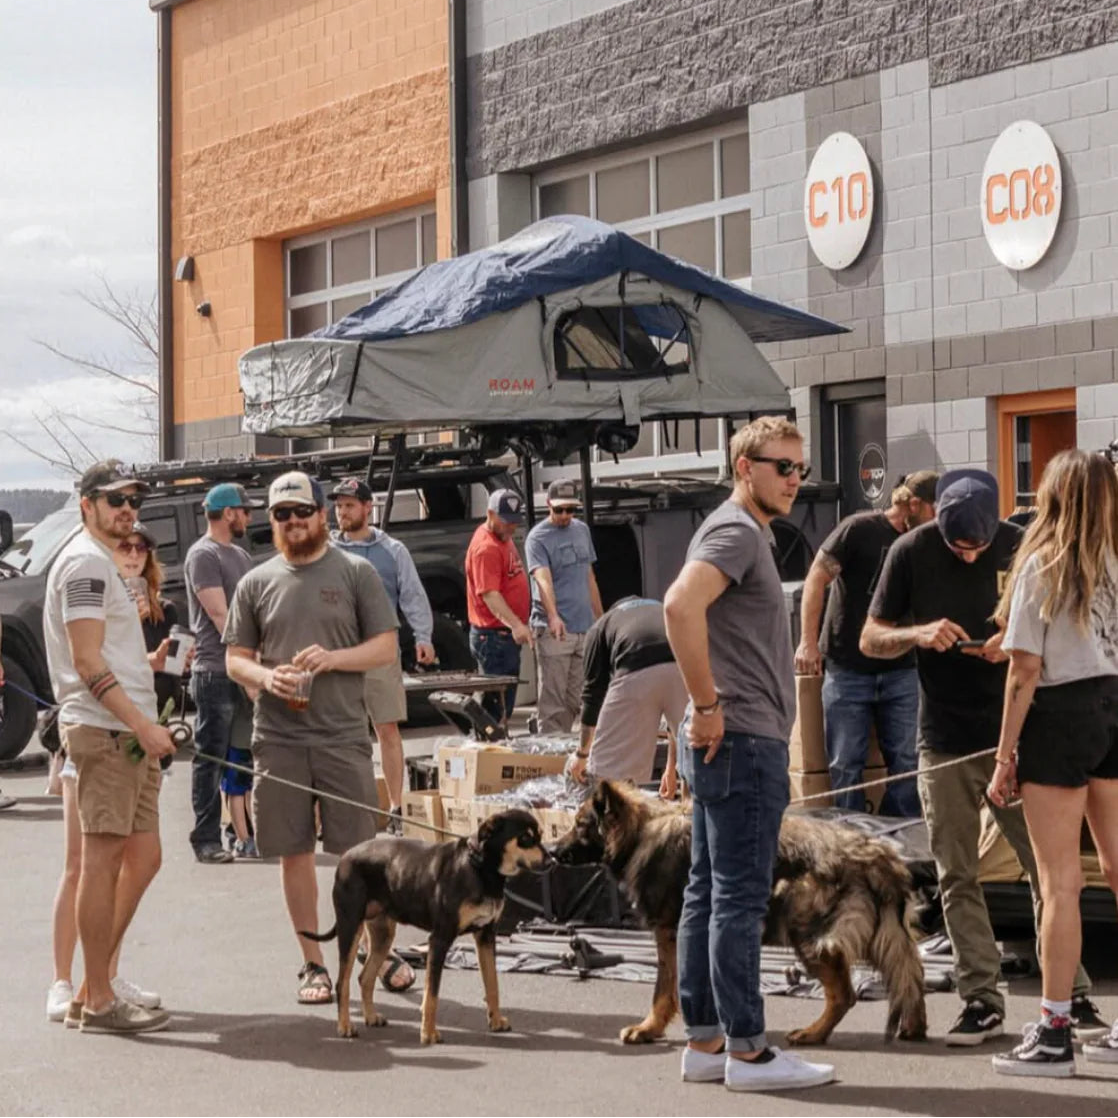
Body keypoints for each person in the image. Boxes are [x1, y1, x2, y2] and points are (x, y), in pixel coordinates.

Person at [861, 468, 1103, 1047]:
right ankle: (980, 996)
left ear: (996, 525)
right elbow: (869, 636)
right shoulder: (908, 550)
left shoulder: (1025, 544)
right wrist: (917, 634)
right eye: (956, 546)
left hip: (1018, 735)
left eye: (977, 547)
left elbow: (1060, 627)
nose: (968, 558)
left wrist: (1010, 639)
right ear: (935, 522)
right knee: (956, 871)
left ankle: (1070, 994)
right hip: (942, 736)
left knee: (1050, 870)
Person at [663, 416, 834, 1092]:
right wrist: (707, 706)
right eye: (782, 466)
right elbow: (678, 607)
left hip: (729, 738)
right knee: (734, 896)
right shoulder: (736, 530)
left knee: (707, 891)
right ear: (744, 467)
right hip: (741, 739)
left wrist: (706, 711)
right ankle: (750, 1053)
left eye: (800, 468)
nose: (795, 479)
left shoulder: (738, 531)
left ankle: (708, 1044)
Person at [224, 471, 401, 1005]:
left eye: (302, 511)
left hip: (342, 734)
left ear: (323, 514)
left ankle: (379, 956)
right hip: (278, 738)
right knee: (293, 852)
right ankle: (313, 965)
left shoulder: (356, 572)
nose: (293, 521)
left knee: (361, 855)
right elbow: (235, 659)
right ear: (271, 521)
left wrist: (332, 659)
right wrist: (265, 677)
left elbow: (386, 648)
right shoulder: (255, 582)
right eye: (282, 514)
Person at [987, 450, 1118, 1076]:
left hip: (1059, 715)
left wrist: (1004, 753)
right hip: (1114, 704)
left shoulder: (1043, 564)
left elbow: (1026, 671)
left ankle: (1055, 1029)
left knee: (1059, 883)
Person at [42, 460, 174, 1034]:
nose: (127, 509)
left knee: (143, 857)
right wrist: (141, 725)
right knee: (98, 863)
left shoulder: (101, 562)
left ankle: (99, 979)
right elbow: (87, 660)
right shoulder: (84, 564)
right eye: (114, 498)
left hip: (129, 733)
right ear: (86, 504)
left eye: (133, 501)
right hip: (106, 732)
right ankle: (94, 999)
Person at [794, 471, 938, 817]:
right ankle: (851, 839)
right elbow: (816, 577)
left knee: (908, 760)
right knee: (845, 763)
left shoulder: (930, 542)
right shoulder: (859, 529)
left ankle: (902, 839)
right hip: (848, 667)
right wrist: (807, 642)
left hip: (903, 668)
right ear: (914, 505)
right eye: (937, 507)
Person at [329, 477, 436, 826]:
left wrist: (424, 636)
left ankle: (395, 809)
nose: (342, 512)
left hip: (380, 649)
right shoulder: (327, 549)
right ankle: (346, 810)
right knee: (343, 735)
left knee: (386, 729)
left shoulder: (393, 550)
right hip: (338, 651)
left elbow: (412, 594)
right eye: (338, 505)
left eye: (349, 505)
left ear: (367, 508)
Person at [183, 482, 256, 864]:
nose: (249, 516)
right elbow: (221, 615)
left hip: (243, 668)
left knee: (242, 756)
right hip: (214, 671)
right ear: (228, 514)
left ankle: (241, 832)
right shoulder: (203, 555)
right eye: (245, 510)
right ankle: (206, 837)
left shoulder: (241, 556)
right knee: (210, 758)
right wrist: (246, 660)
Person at [566, 596, 687, 802]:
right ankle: (692, 821)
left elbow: (593, 696)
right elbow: (676, 722)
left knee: (610, 778)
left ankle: (613, 827)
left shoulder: (600, 627)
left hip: (636, 670)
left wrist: (582, 754)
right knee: (693, 757)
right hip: (684, 666)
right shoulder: (658, 608)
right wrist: (672, 767)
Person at [525, 479, 603, 733]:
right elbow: (543, 579)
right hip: (555, 631)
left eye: (571, 510)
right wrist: (553, 616)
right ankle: (549, 757)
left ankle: (572, 757)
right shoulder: (537, 538)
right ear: (548, 505)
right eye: (559, 510)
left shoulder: (581, 530)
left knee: (580, 699)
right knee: (553, 704)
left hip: (584, 627)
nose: (565, 516)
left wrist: (601, 619)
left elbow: (589, 576)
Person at [465, 489, 532, 728]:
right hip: (493, 638)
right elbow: (490, 595)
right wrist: (516, 624)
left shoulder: (501, 536)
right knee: (495, 713)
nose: (511, 527)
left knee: (500, 708)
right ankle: (488, 755)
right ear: (490, 514)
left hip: (500, 637)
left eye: (515, 521)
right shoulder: (487, 548)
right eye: (506, 521)